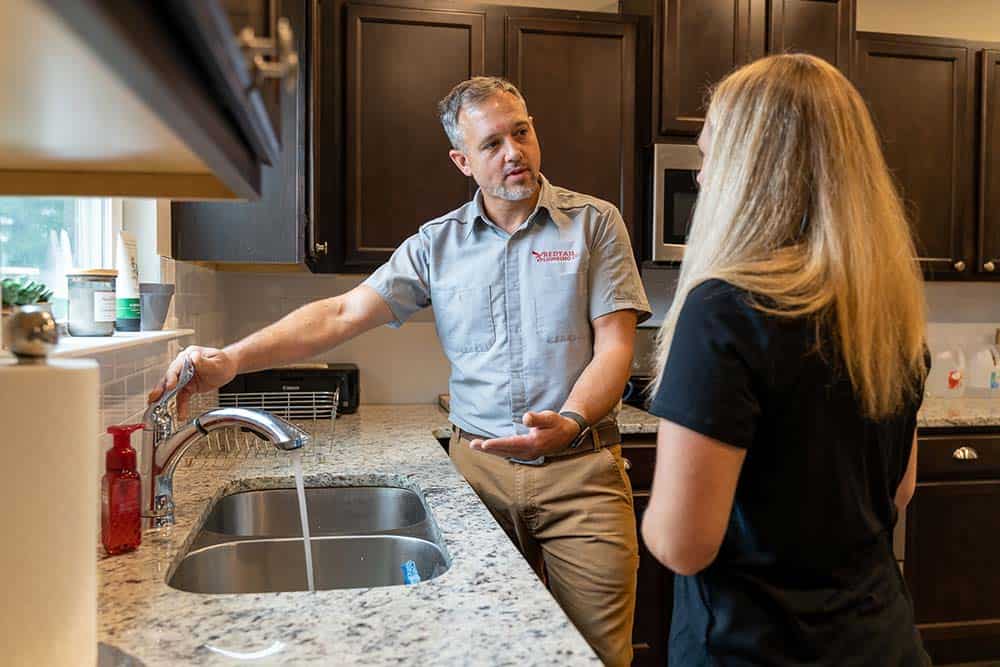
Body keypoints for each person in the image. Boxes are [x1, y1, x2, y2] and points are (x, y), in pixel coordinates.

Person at [150, 76, 650, 666]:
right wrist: (231, 360)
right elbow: (340, 314)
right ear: (462, 160)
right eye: (491, 144)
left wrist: (569, 419)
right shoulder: (436, 245)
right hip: (477, 475)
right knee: (477, 649)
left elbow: (615, 348)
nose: (514, 152)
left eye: (522, 132)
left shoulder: (593, 224)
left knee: (598, 655)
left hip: (581, 472)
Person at [640, 54, 931, 665]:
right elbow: (899, 492)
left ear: (747, 169)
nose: (701, 177)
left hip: (757, 648)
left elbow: (681, 543)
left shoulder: (721, 310)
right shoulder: (886, 311)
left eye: (709, 154)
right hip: (880, 642)